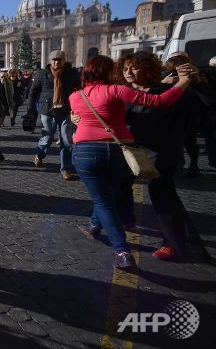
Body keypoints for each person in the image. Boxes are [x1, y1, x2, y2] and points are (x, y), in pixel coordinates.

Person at [68, 55, 192, 269]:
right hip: (119, 150)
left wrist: (74, 118)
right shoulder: (116, 90)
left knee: (104, 199)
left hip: (86, 150)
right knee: (107, 197)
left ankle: (122, 250)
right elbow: (160, 101)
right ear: (109, 72)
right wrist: (183, 82)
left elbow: (78, 115)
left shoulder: (75, 96)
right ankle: (95, 226)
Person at [119, 52, 211, 262]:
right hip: (134, 151)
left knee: (163, 195)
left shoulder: (168, 91)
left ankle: (177, 244)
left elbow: (205, 105)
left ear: (148, 69)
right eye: (125, 69)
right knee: (120, 185)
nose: (128, 73)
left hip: (162, 153)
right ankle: (121, 220)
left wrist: (198, 80)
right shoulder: (129, 93)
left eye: (134, 67)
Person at [27, 50, 81, 180]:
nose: (57, 62)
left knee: (67, 140)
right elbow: (33, 92)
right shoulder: (42, 73)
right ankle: (39, 155)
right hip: (47, 110)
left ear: (64, 60)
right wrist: (31, 110)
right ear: (50, 61)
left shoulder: (72, 73)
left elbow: (80, 89)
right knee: (47, 138)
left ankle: (65, 169)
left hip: (66, 110)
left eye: (59, 60)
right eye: (54, 60)